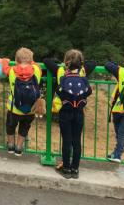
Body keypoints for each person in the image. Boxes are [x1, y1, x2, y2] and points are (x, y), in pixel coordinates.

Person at [44, 50, 97, 179]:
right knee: (76, 141)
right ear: (81, 62)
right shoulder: (84, 71)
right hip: (79, 112)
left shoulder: (60, 71)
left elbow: (46, 61)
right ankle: (75, 169)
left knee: (66, 140)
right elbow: (94, 62)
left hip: (65, 111)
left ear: (66, 61)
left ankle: (66, 168)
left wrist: (60, 64)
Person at [0, 48, 42, 157]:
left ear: (16, 60)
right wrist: (30, 61)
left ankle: (11, 145)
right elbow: (34, 64)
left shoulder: (12, 71)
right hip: (31, 109)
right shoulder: (36, 70)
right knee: (25, 127)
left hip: (14, 108)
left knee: (11, 126)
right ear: (31, 60)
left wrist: (3, 61)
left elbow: (4, 68)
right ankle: (19, 147)